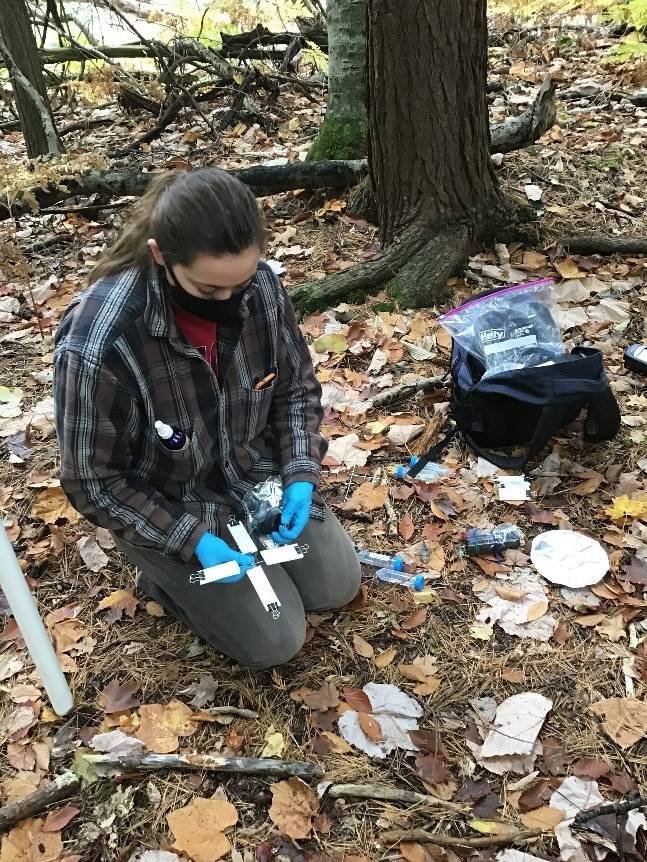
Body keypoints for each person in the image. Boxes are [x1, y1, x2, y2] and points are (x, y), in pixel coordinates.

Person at [53, 168, 361, 669]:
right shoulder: (101, 342)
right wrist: (190, 540)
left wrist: (301, 474)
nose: (231, 301)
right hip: (170, 503)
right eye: (209, 289)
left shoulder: (258, 286)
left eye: (240, 284)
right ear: (161, 256)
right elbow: (93, 478)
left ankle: (250, 546)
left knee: (336, 585)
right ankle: (161, 571)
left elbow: (295, 389)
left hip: (252, 478)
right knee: (275, 642)